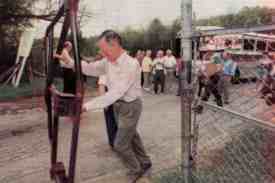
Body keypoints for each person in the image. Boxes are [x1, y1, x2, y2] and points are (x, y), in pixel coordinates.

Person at [54, 30, 152, 183]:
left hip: (130, 106)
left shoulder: (130, 64)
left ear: (114, 45)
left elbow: (115, 93)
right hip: (119, 106)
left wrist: (86, 106)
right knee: (131, 136)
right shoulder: (108, 61)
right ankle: (145, 162)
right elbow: (90, 68)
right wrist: (70, 61)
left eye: (103, 48)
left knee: (119, 144)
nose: (100, 52)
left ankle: (136, 169)